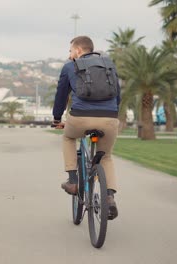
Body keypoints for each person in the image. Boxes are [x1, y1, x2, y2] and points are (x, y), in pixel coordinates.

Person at [51, 36, 120, 220]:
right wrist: (112, 115)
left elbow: (61, 95)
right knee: (106, 156)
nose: (69, 54)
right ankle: (110, 197)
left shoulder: (69, 66)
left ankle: (73, 181)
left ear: (79, 51)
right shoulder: (109, 65)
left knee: (68, 138)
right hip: (110, 118)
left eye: (70, 50)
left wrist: (57, 118)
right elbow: (117, 95)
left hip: (80, 118)